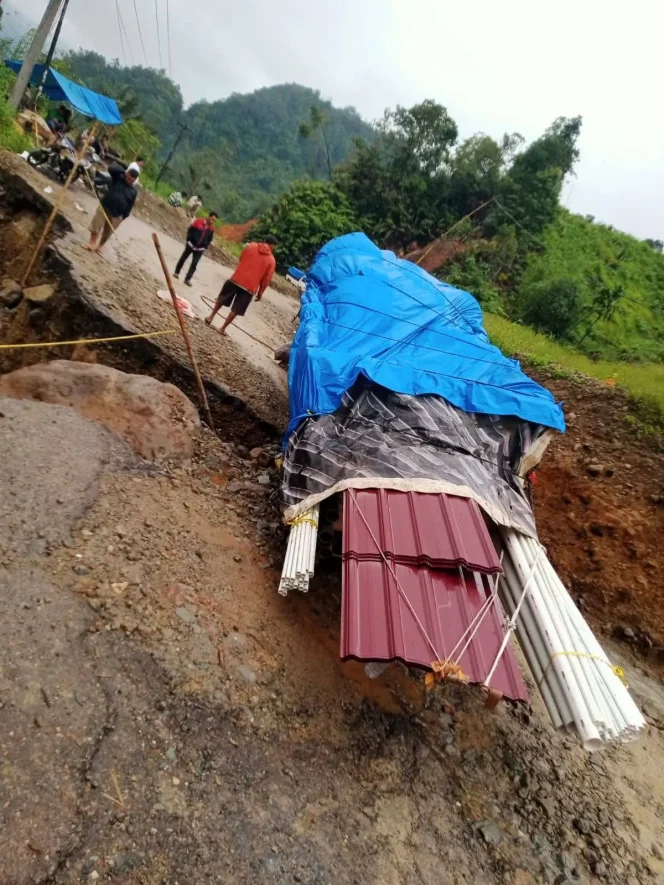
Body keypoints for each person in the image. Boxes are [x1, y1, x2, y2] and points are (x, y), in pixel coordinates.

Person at [205, 236, 277, 336]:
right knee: (236, 309)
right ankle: (222, 328)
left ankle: (210, 316)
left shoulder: (251, 246)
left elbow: (241, 258)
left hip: (236, 279)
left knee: (222, 299)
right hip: (249, 288)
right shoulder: (271, 260)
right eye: (274, 247)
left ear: (264, 241)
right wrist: (260, 292)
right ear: (272, 245)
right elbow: (266, 279)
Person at [84, 164, 139, 253]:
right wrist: (124, 171)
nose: (129, 181)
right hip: (105, 206)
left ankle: (100, 246)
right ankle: (91, 243)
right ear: (127, 174)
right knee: (96, 225)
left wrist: (123, 217)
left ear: (134, 180)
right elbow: (111, 168)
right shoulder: (118, 178)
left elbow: (129, 206)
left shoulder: (133, 192)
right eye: (128, 178)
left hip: (117, 215)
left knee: (107, 233)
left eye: (132, 181)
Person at [174, 211, 218, 286]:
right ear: (209, 216)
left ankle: (187, 279)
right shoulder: (198, 222)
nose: (213, 221)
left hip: (200, 249)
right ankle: (176, 272)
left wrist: (205, 246)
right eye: (212, 219)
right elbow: (190, 230)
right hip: (191, 244)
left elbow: (210, 239)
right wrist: (188, 240)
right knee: (183, 258)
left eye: (214, 221)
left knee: (194, 264)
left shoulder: (212, 228)